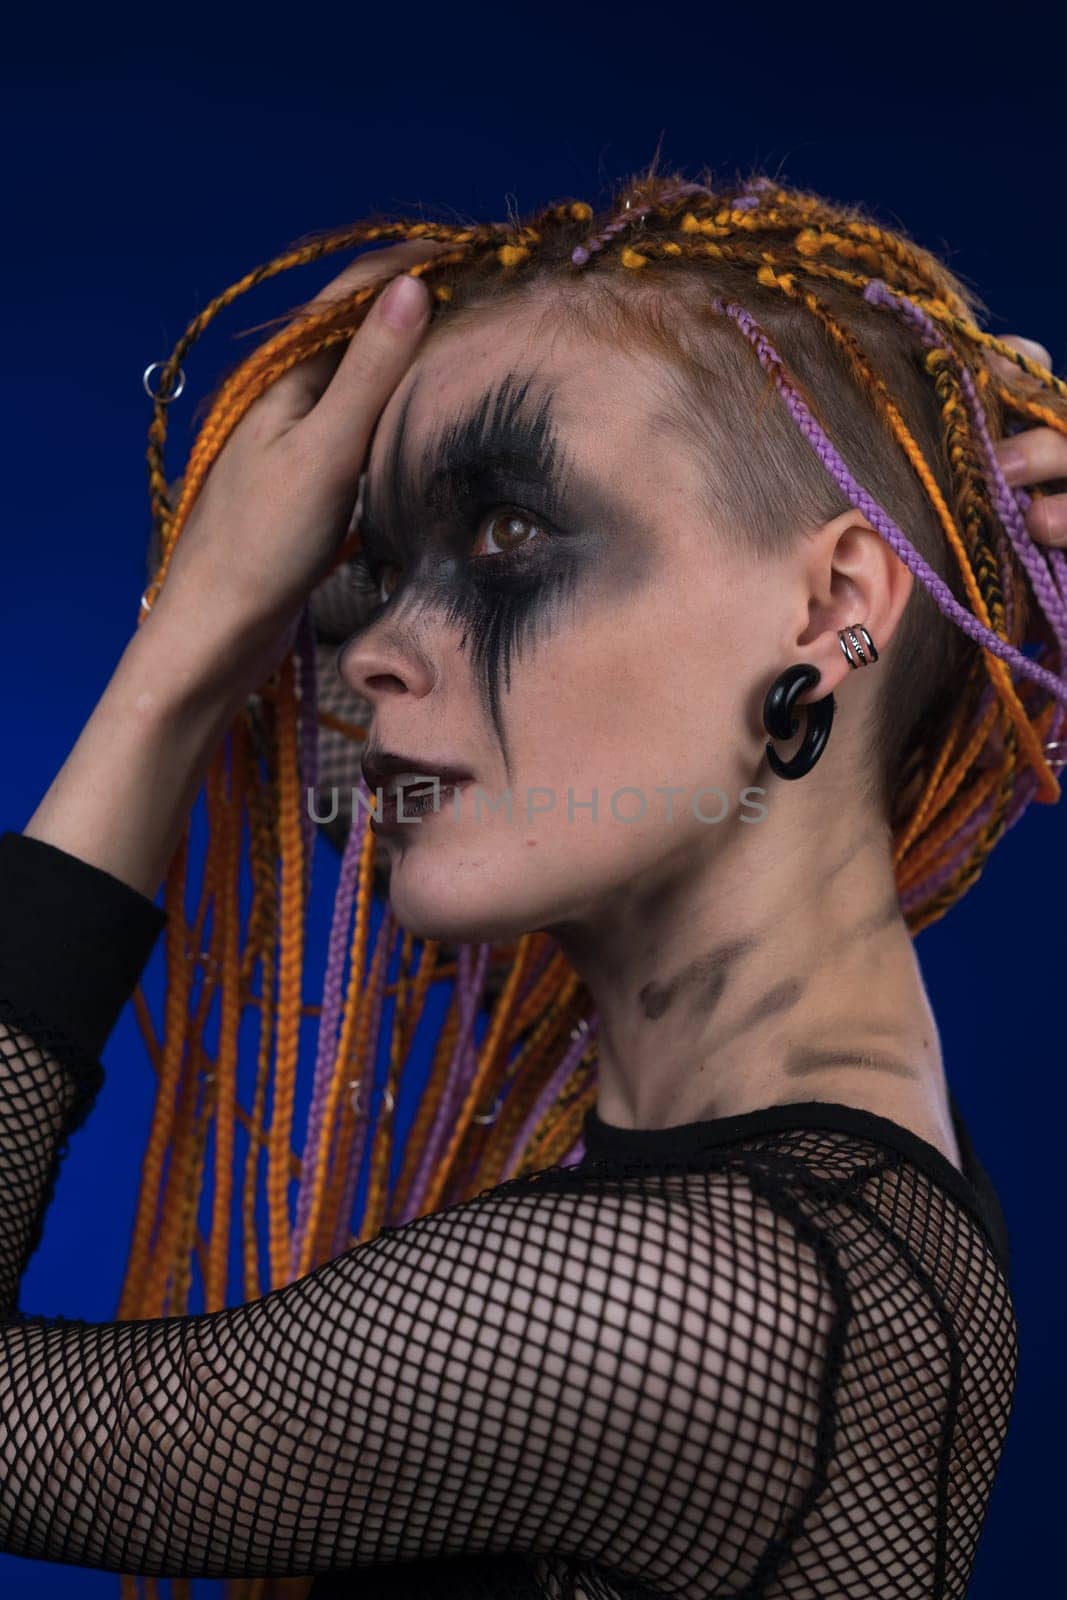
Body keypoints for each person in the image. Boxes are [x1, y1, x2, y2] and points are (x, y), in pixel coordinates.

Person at [1, 166, 1066, 1599]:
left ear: (830, 617)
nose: (369, 647)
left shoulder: (710, 1309)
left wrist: (186, 652)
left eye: (506, 535)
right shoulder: (817, 1198)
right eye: (364, 564)